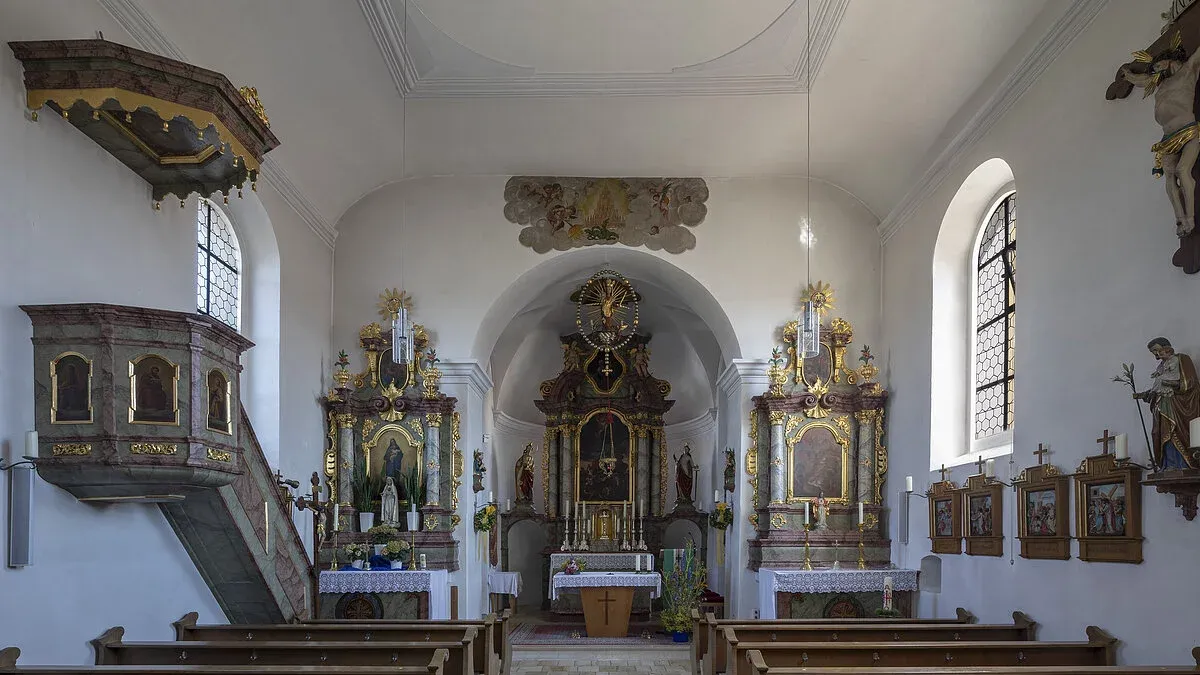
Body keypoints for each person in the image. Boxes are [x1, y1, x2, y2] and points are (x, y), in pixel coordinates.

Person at [1121, 41, 1200, 237]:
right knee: (1170, 177)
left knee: (1182, 170)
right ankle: (1180, 219)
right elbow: (1141, 80)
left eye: (1157, 65)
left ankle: (1190, 218)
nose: (1155, 70)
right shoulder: (1161, 83)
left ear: (1167, 60)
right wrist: (1127, 74)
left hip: (1187, 130)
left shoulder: (1188, 71)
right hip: (1167, 137)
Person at [1134, 337, 1200, 470]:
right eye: (1153, 352)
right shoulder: (1161, 367)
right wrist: (1146, 394)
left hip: (1177, 405)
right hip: (1161, 405)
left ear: (1166, 348)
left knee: (1175, 430)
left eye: (1157, 350)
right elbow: (1157, 388)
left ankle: (1182, 463)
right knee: (1161, 432)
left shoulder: (1181, 359)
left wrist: (1168, 383)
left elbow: (1191, 382)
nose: (1156, 354)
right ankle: (1168, 464)